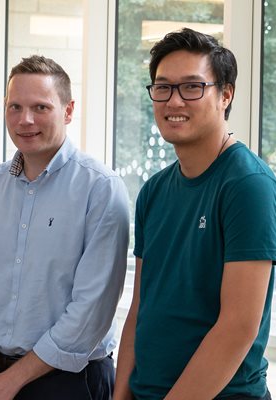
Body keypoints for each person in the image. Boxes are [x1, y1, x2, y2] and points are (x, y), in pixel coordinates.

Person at [114, 28, 276, 400]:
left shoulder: (247, 185)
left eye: (192, 87)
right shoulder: (154, 191)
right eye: (163, 87)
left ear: (226, 95)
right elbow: (141, 308)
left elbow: (238, 327)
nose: (173, 101)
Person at [0, 55, 129, 400]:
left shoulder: (100, 188)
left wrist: (9, 381)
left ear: (68, 111)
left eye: (41, 107)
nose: (26, 120)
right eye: (15, 107)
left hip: (69, 381)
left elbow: (90, 310)